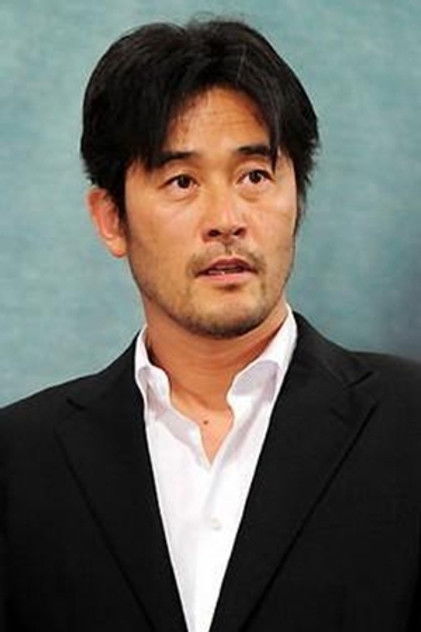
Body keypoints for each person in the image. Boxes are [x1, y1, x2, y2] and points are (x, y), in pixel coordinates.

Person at [0, 18, 420, 632]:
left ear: (297, 199)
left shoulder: (409, 425)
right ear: (111, 218)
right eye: (182, 181)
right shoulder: (20, 462)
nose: (226, 218)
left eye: (255, 176)